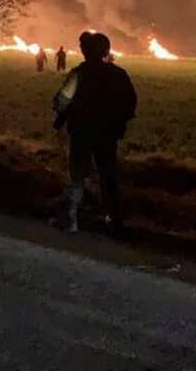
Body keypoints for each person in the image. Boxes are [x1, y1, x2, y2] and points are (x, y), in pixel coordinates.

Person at [52, 31, 137, 234]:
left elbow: (61, 102)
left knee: (78, 175)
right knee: (108, 175)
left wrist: (63, 114)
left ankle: (73, 219)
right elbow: (130, 103)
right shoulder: (119, 75)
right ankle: (114, 219)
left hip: (81, 132)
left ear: (85, 51)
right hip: (107, 134)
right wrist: (118, 123)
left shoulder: (78, 75)